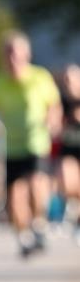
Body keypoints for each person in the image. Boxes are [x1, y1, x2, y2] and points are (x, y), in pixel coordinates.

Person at [0, 32, 62, 257]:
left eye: (17, 53)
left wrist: (52, 122)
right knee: (14, 196)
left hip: (35, 142)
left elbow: (54, 105)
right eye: (8, 53)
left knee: (36, 184)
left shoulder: (39, 77)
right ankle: (24, 237)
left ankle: (39, 224)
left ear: (26, 54)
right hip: (10, 146)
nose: (13, 58)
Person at [56, 64, 80, 242]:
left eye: (72, 79)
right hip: (69, 150)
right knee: (67, 181)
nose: (68, 83)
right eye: (65, 80)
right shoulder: (61, 101)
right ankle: (72, 207)